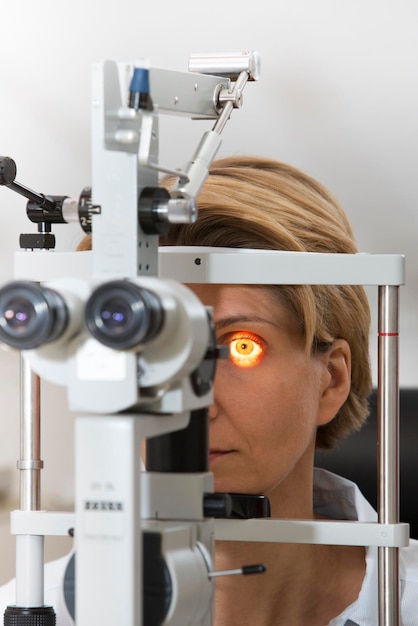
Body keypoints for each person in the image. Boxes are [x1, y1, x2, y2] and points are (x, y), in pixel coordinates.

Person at [1, 155, 417, 625]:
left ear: (332, 380)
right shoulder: (38, 605)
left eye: (242, 347)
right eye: (150, 350)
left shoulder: (405, 604)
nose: (193, 403)